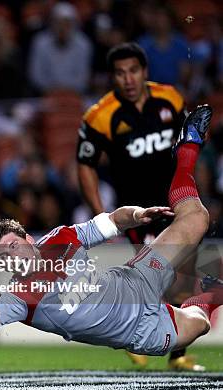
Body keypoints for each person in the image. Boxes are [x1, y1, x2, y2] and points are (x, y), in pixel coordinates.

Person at [0, 106, 217, 363]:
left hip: (136, 278)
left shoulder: (61, 238)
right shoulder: (22, 296)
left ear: (29, 239)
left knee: (197, 218)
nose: (11, 255)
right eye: (3, 257)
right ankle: (211, 291)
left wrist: (137, 215)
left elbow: (111, 222)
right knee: (199, 323)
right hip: (141, 330)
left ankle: (186, 150)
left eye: (12, 245)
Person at [76, 42, 202, 370]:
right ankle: (135, 338)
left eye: (133, 71)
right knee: (155, 278)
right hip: (139, 213)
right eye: (120, 73)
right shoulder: (100, 116)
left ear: (144, 72)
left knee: (185, 279)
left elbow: (187, 142)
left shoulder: (171, 99)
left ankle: (178, 357)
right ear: (112, 78)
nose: (128, 79)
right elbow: (85, 164)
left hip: (175, 203)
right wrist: (102, 213)